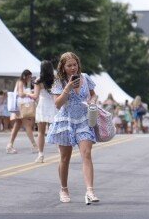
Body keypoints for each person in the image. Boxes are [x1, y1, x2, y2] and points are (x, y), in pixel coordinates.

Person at [46, 52, 99, 204]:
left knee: (86, 154)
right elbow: (57, 104)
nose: (73, 68)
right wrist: (68, 87)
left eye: (74, 64)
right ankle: (63, 188)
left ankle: (90, 191)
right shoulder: (59, 82)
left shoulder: (85, 78)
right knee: (65, 158)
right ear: (63, 67)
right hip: (65, 121)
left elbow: (94, 95)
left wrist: (92, 101)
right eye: (69, 66)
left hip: (83, 120)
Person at [6, 70, 37, 154]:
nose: (30, 79)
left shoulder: (22, 82)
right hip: (21, 107)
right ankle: (34, 146)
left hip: (19, 107)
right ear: (25, 76)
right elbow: (20, 94)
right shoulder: (20, 82)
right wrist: (29, 94)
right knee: (27, 125)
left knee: (17, 126)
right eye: (29, 77)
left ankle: (10, 145)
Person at [32, 60, 57, 163]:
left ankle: (41, 155)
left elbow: (35, 96)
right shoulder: (55, 79)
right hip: (53, 105)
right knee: (56, 130)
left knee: (41, 132)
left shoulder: (38, 81)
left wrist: (26, 94)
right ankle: (61, 151)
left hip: (42, 106)